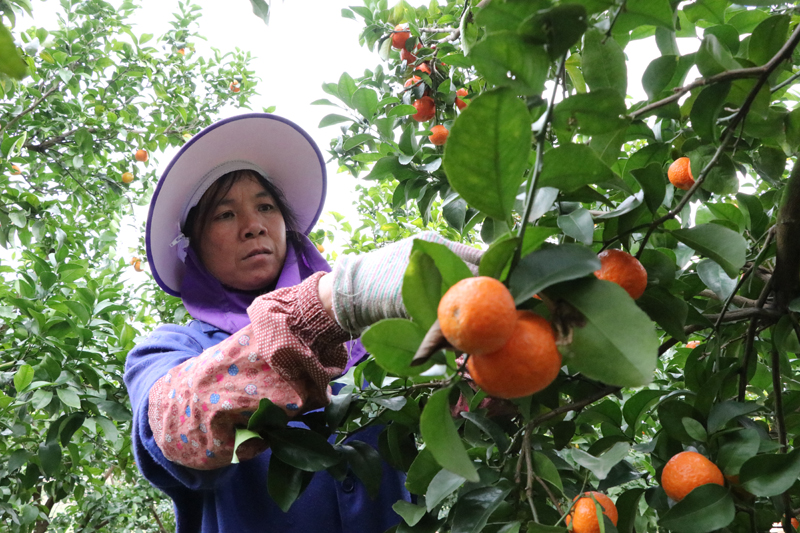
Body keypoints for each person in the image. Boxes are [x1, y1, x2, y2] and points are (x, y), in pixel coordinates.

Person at [123, 113, 481, 533]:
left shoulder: (369, 336)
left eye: (265, 206)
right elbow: (175, 426)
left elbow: (456, 403)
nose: (253, 226)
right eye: (224, 215)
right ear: (194, 247)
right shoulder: (169, 349)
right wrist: (323, 308)